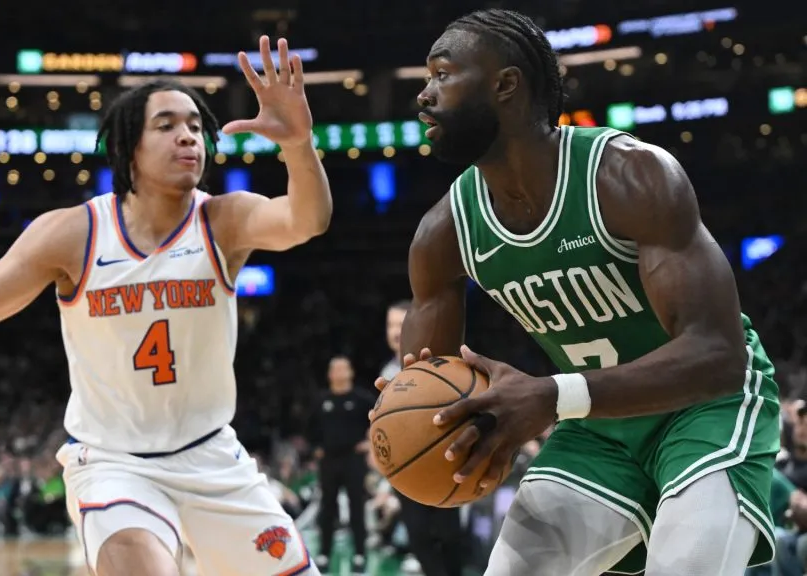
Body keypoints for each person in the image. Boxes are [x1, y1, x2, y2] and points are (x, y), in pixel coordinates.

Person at [0, 35, 330, 576]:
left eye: (196, 126)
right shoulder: (73, 234)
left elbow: (306, 220)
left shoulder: (224, 219)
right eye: (167, 125)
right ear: (129, 147)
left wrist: (298, 144)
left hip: (212, 456)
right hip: (115, 465)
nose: (188, 136)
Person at [374, 9, 779, 576]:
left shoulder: (629, 176)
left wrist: (550, 395)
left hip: (708, 408)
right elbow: (432, 395)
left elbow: (718, 355)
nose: (424, 95)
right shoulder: (443, 234)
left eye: (442, 74)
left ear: (506, 84)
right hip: (596, 426)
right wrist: (419, 420)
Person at [380, 301, 465, 576]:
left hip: (443, 462)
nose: (395, 331)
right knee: (418, 535)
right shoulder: (387, 372)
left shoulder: (438, 363)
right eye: (390, 325)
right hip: (405, 466)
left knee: (449, 535)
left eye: (400, 324)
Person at [311, 355, 373, 574]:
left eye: (342, 368)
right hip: (328, 460)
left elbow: (379, 420)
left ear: (351, 372)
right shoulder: (321, 401)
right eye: (334, 369)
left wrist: (369, 443)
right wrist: (315, 447)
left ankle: (360, 554)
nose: (338, 372)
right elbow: (309, 427)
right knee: (327, 507)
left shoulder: (362, 399)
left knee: (357, 507)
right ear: (329, 374)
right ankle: (324, 554)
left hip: (353, 459)